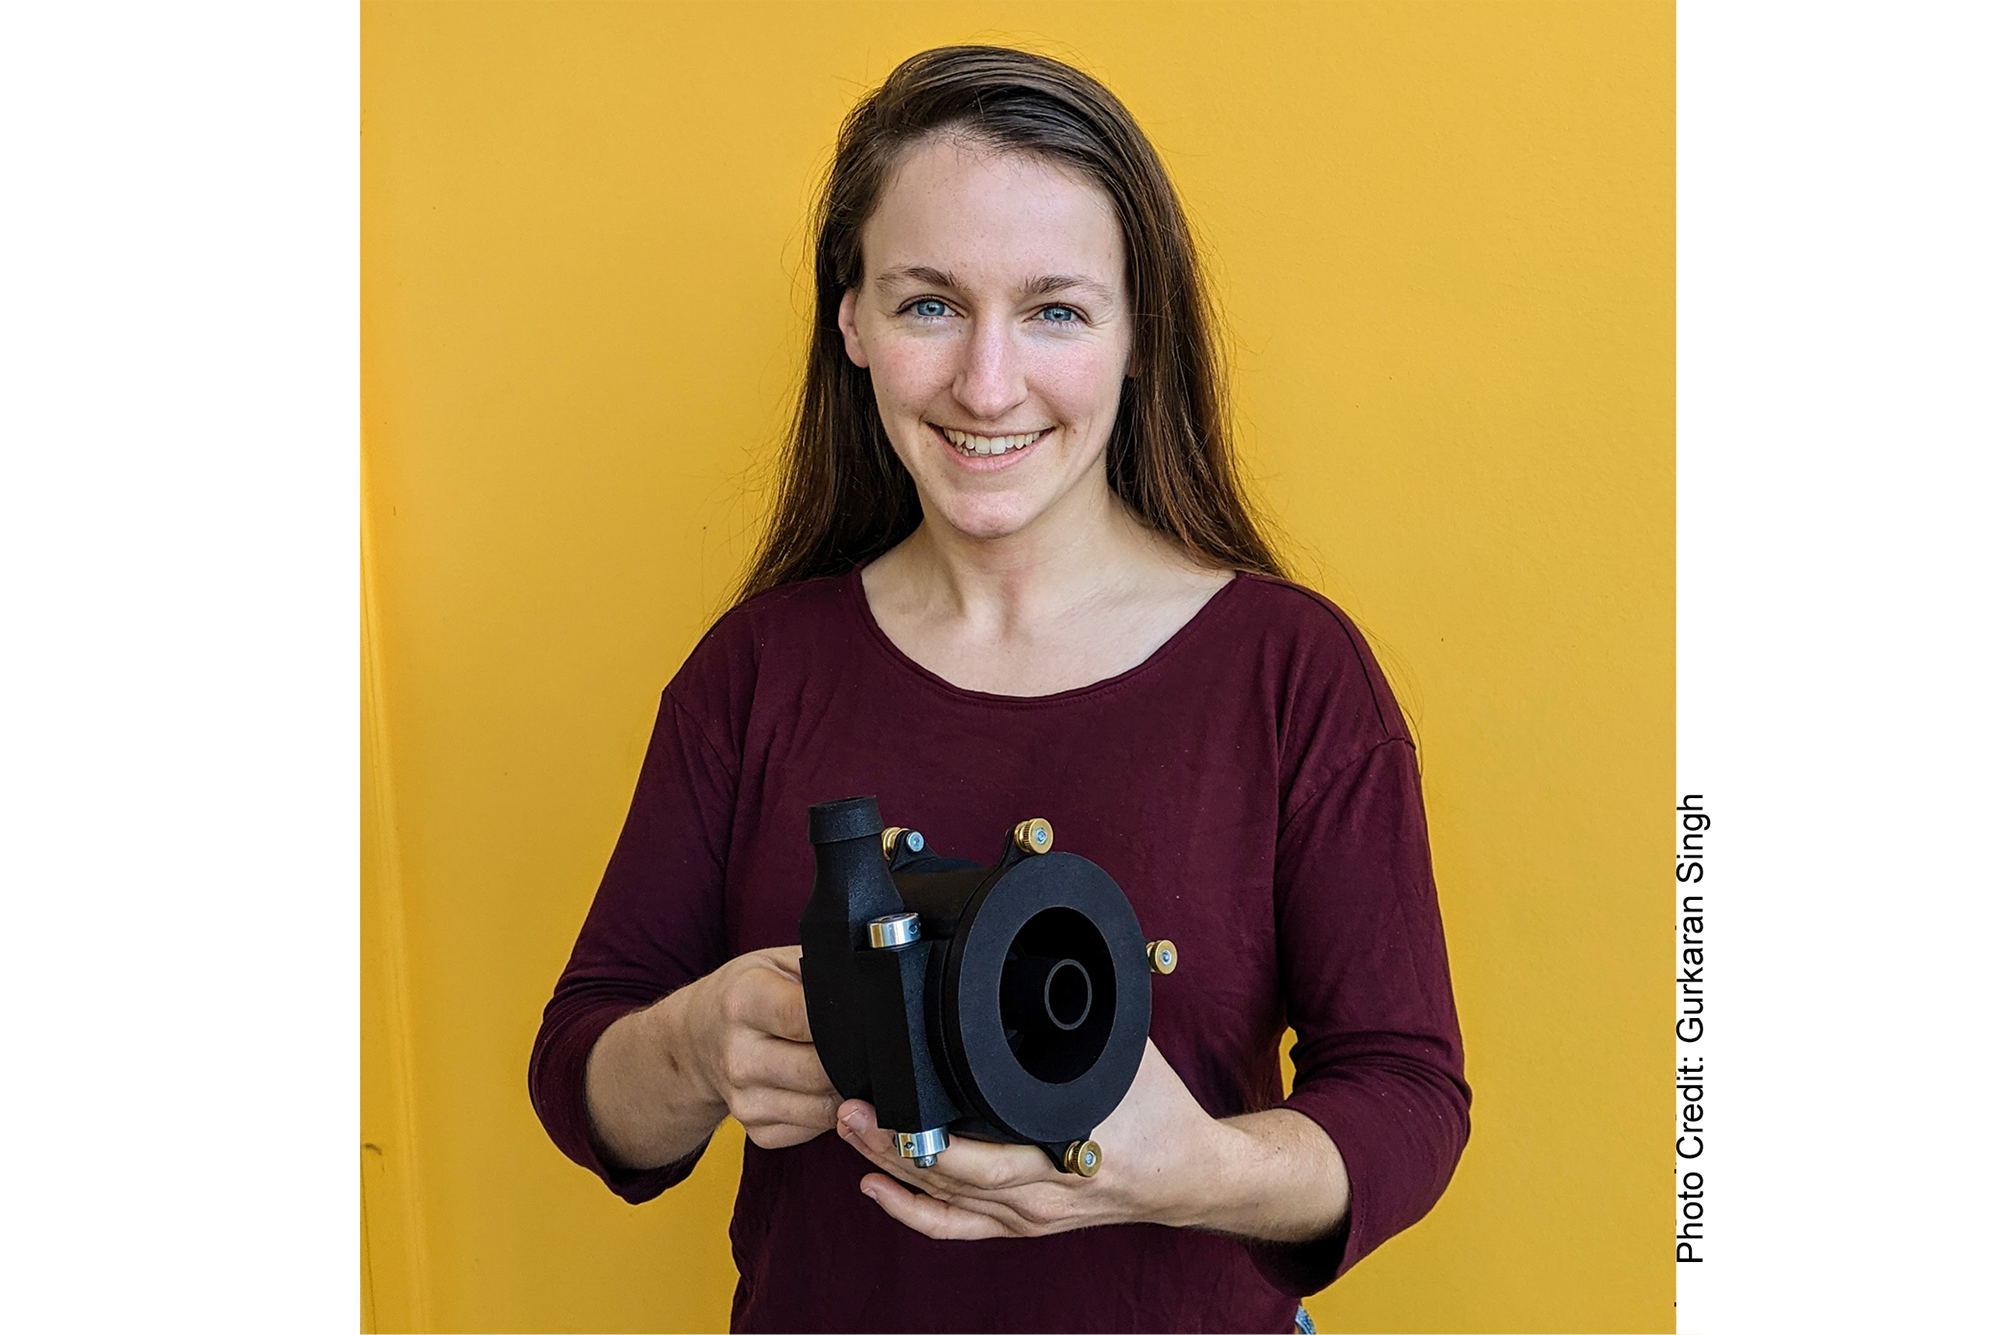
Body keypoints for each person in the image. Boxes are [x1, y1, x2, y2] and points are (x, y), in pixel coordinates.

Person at [530, 45, 1469, 1334]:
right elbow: (581, 1078)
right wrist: (694, 1048)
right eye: (928, 304)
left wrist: (1200, 1172)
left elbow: (1409, 1096)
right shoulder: (751, 675)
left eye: (1056, 310)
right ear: (850, 320)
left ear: (1142, 335)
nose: (986, 383)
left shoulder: (1292, 676)